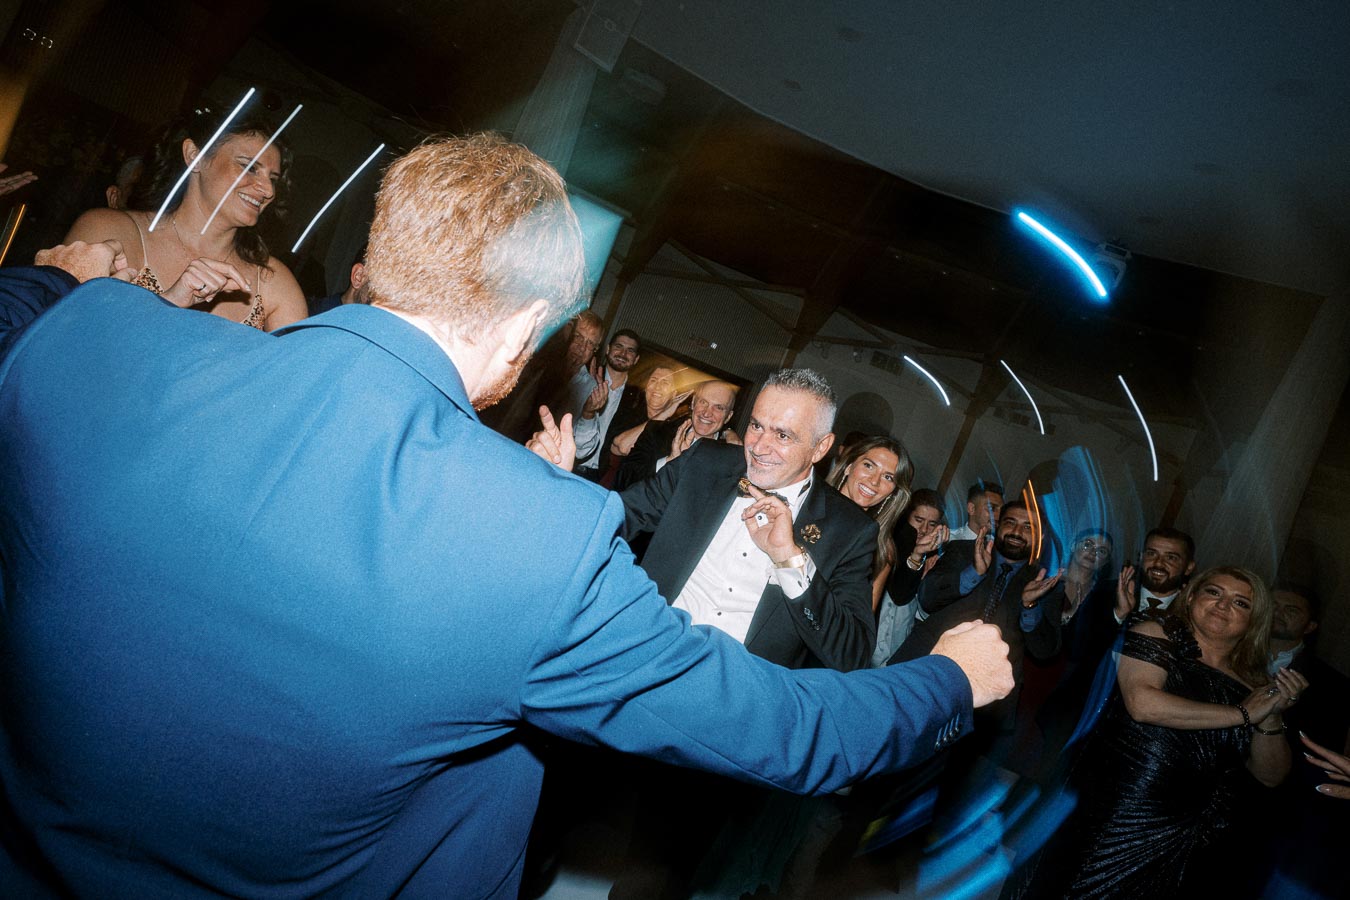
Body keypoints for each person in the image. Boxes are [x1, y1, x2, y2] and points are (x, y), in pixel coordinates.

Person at [0, 136, 1015, 899]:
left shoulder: (84, 334)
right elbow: (792, 732)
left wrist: (59, 283)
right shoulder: (539, 541)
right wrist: (947, 681)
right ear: (528, 325)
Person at [1020, 567, 1307, 898]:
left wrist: (1271, 715)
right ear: (1192, 597)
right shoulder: (1156, 634)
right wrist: (1243, 714)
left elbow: (1270, 776)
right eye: (1214, 592)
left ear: (1254, 620)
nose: (1223, 605)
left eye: (1240, 603)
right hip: (1123, 808)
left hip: (1194, 828)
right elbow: (1143, 704)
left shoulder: (1255, 684)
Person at [62, 105, 306, 331]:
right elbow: (56, 342)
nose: (268, 190)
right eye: (249, 167)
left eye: (273, 178)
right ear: (194, 156)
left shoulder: (274, 282)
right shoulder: (110, 232)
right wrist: (168, 304)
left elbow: (297, 375)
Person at [615, 377, 740, 489]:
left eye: (719, 407)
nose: (707, 413)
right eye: (703, 402)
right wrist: (669, 461)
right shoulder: (658, 432)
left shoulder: (730, 456)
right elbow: (624, 477)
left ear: (728, 416)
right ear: (693, 403)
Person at [872, 488, 948, 667]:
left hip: (900, 641)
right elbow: (899, 593)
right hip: (875, 639)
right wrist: (916, 556)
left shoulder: (936, 553)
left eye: (931, 524)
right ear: (906, 516)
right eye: (919, 520)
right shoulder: (890, 541)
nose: (923, 529)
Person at [571, 329, 647, 479]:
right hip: (565, 461)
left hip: (597, 476)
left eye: (630, 350)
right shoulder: (585, 376)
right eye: (618, 346)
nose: (623, 354)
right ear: (607, 349)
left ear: (636, 359)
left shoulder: (637, 400)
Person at [1113, 526, 1196, 622]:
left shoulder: (1191, 612)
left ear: (1189, 567)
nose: (1158, 563)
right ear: (1141, 557)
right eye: (1151, 554)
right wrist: (1119, 614)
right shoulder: (1106, 592)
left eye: (1171, 558)